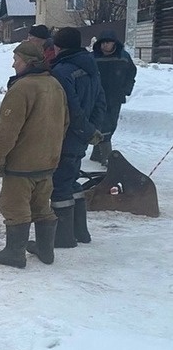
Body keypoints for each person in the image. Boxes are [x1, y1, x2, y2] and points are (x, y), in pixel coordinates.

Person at [0, 41, 69, 268]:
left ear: (28, 62)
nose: (13, 65)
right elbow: (65, 123)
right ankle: (45, 250)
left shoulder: (22, 88)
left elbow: (6, 131)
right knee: (42, 206)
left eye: (17, 60)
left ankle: (14, 253)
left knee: (14, 207)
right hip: (47, 162)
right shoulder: (54, 84)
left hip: (21, 165)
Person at [49, 27, 107, 248]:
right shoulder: (90, 66)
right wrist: (92, 130)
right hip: (83, 136)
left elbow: (71, 109)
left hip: (66, 136)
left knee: (60, 183)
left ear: (58, 46)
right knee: (72, 180)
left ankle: (63, 237)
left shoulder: (62, 71)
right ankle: (80, 232)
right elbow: (100, 102)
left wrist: (83, 130)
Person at [91, 30, 136, 166]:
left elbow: (131, 72)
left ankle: (96, 153)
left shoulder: (123, 57)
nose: (105, 45)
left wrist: (126, 89)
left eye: (108, 42)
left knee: (112, 124)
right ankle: (106, 157)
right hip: (98, 96)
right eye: (103, 43)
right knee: (103, 124)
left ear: (114, 43)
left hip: (115, 96)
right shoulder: (93, 57)